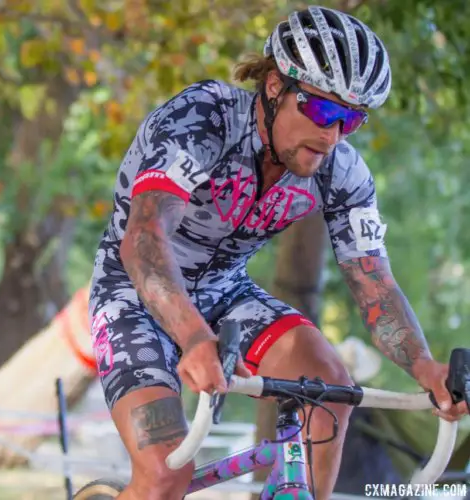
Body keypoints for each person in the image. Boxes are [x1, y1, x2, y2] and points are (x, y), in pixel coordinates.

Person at [87, 6, 468, 499]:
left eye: (350, 120)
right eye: (322, 110)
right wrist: (194, 337)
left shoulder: (343, 174)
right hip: (132, 293)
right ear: (274, 87)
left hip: (226, 293)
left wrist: (425, 369)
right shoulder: (203, 117)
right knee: (165, 474)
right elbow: (143, 240)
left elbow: (375, 284)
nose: (332, 135)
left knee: (331, 385)